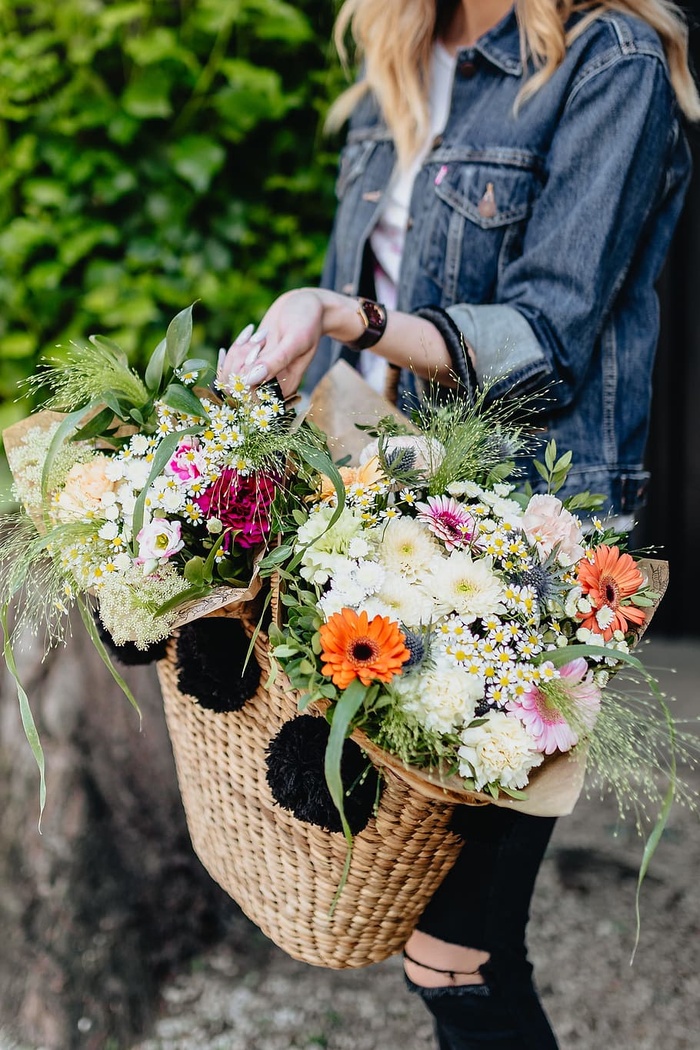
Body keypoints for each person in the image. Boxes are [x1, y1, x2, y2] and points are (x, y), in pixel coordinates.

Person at [220, 1, 698, 1046]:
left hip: (531, 543)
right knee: (436, 942)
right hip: (384, 520)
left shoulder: (605, 60)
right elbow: (353, 305)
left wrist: (349, 317)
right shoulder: (395, 53)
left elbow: (549, 334)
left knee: (456, 957)